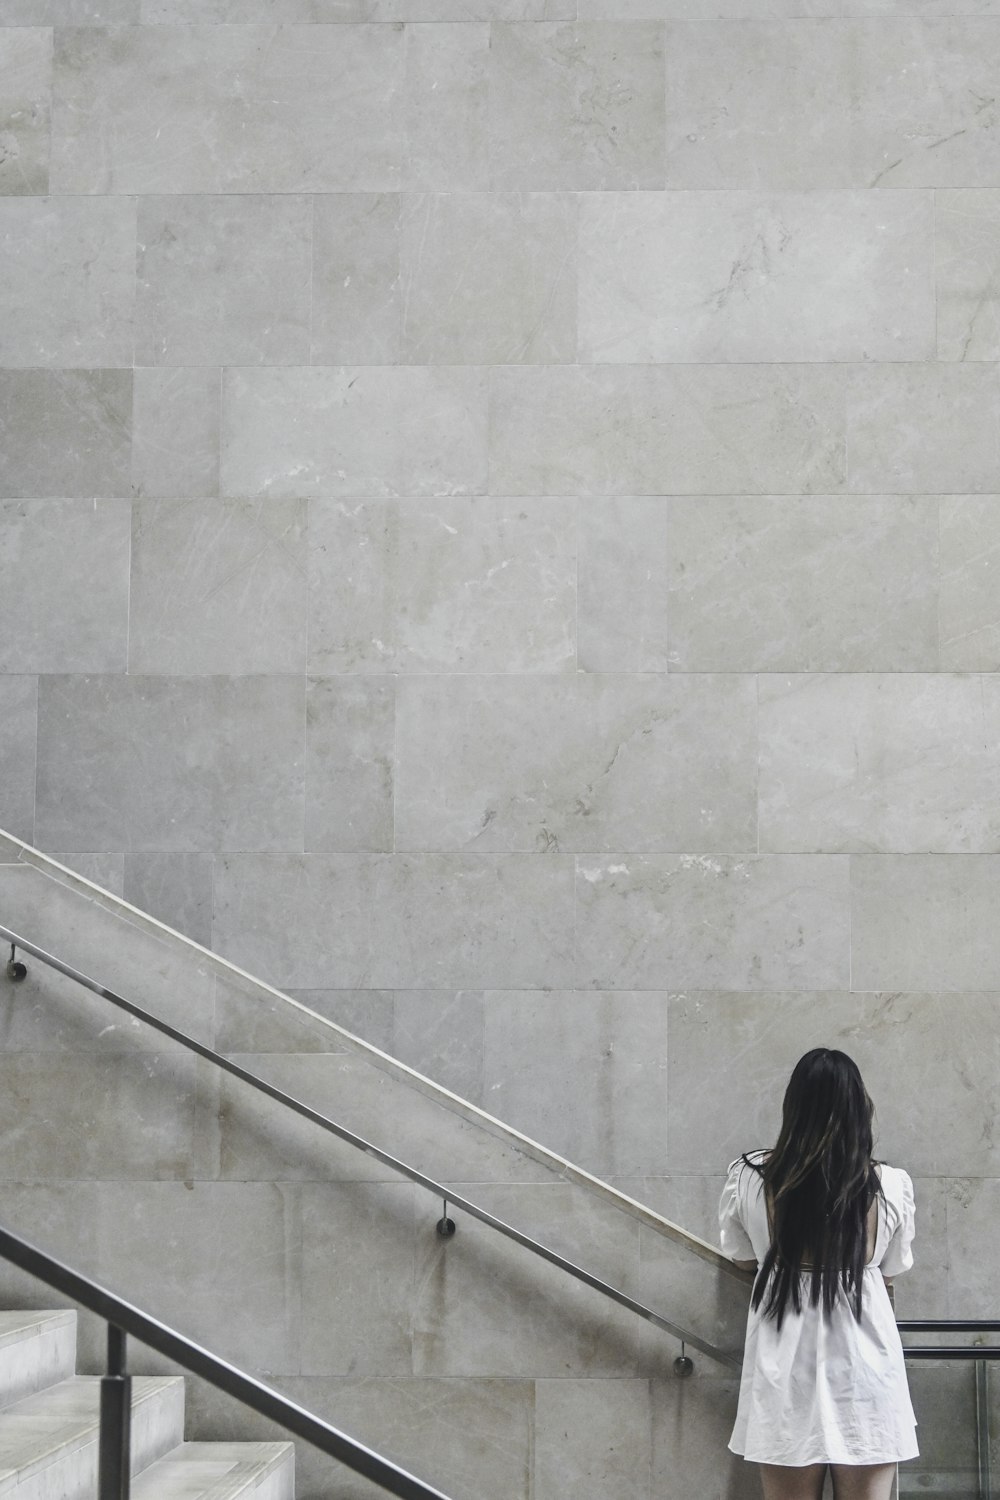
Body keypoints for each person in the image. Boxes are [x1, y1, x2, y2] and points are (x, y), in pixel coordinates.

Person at [718, 1047, 918, 1500]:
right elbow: (894, 1266)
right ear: (858, 1107)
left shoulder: (750, 1176)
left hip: (783, 1361)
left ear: (793, 1106)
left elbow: (740, 1254)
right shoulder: (888, 1183)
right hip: (865, 1365)